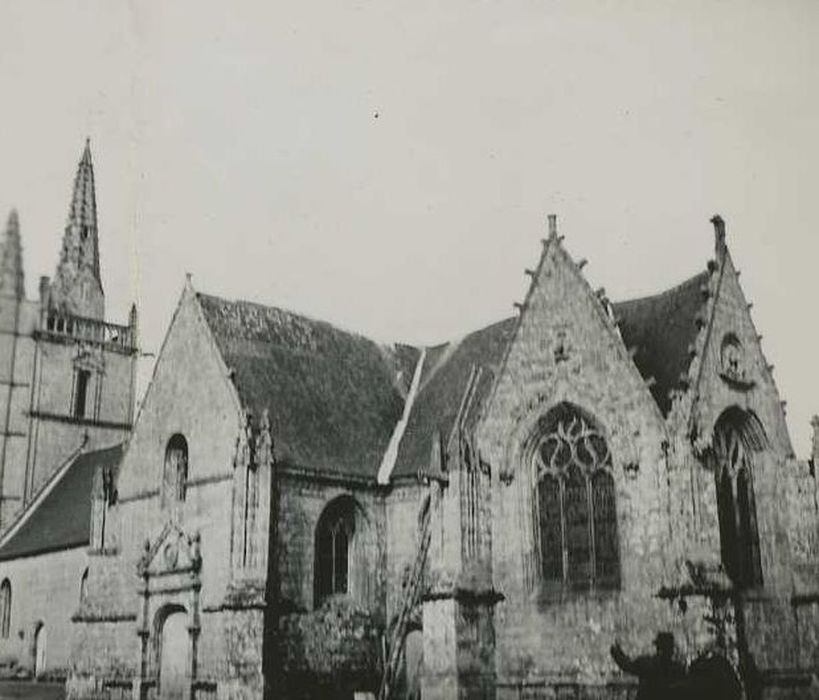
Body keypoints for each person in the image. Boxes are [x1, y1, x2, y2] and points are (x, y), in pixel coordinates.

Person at [610, 632, 686, 700]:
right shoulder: (678, 668)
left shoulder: (647, 664)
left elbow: (627, 666)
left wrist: (616, 653)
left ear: (658, 647)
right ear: (671, 650)